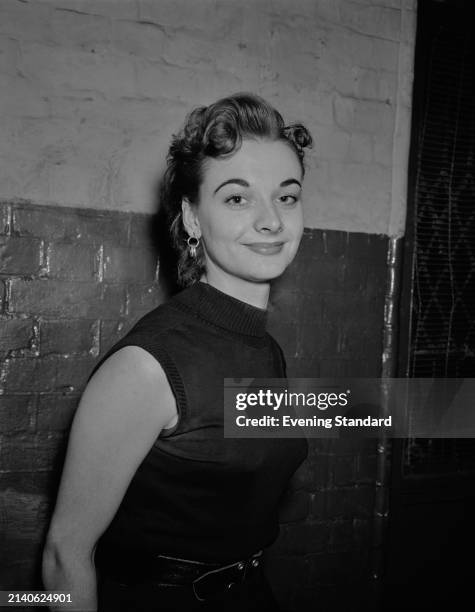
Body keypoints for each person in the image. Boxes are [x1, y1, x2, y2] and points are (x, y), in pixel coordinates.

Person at [42, 93, 313, 611]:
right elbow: (63, 554)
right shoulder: (147, 365)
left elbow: (247, 435)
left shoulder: (266, 350)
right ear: (191, 217)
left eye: (288, 196)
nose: (271, 220)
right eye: (237, 198)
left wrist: (448, 409)